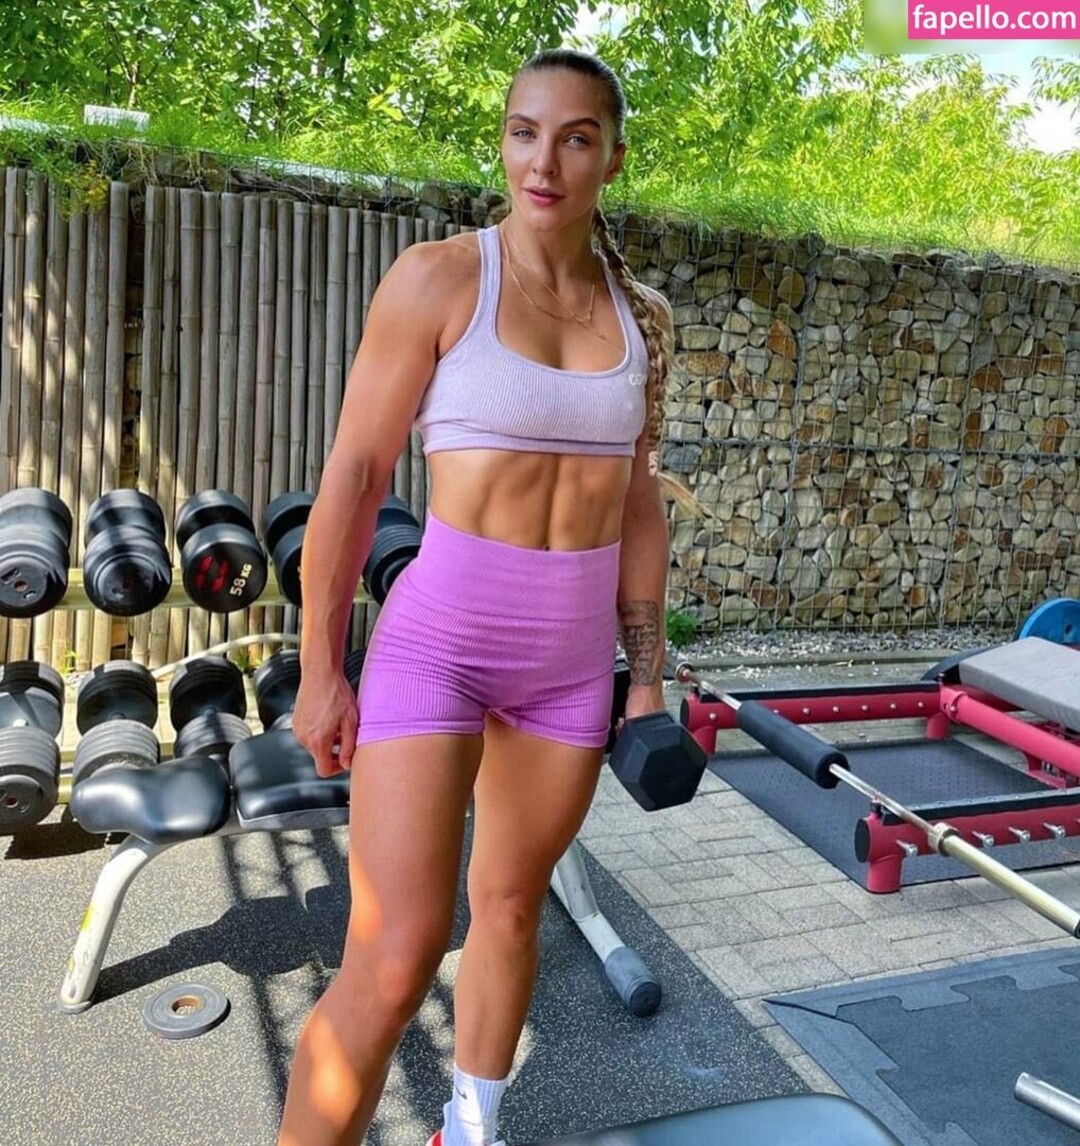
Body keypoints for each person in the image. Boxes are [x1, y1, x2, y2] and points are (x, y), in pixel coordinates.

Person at [278, 47, 674, 1146]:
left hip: (567, 670)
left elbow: (640, 506)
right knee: (395, 953)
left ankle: (469, 1128)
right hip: (438, 647)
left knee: (508, 908)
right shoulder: (441, 278)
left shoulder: (642, 317)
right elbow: (356, 476)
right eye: (523, 132)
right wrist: (321, 669)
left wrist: (646, 684)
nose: (543, 162)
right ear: (503, 141)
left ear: (612, 158)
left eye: (576, 138)